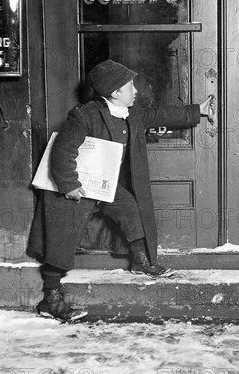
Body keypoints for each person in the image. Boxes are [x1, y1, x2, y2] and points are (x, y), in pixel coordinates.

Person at [28, 59, 214, 321]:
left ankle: (140, 261)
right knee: (62, 239)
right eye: (130, 86)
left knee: (131, 209)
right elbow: (62, 150)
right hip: (74, 188)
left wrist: (198, 110)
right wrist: (69, 185)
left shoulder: (133, 114)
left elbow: (160, 114)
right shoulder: (85, 115)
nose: (135, 91)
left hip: (103, 183)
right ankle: (51, 299)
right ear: (115, 92)